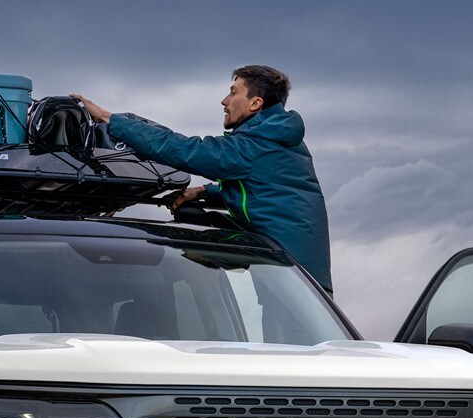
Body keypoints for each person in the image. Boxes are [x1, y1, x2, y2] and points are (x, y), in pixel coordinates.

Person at [72, 65, 333, 293]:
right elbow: (267, 189)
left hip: (290, 277)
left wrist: (111, 120)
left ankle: (205, 255)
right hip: (299, 276)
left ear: (255, 103)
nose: (224, 101)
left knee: (289, 350)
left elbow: (187, 151)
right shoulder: (278, 139)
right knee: (195, 216)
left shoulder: (255, 146)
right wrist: (205, 191)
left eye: (233, 92)